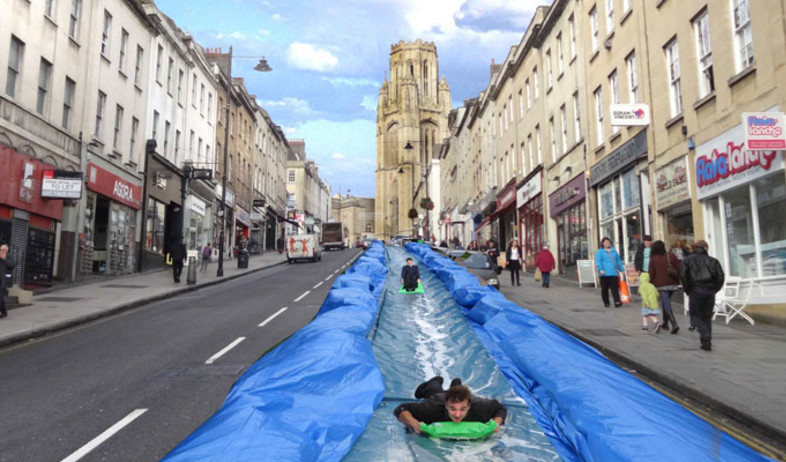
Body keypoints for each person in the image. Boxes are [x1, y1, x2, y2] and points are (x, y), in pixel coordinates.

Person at [394, 376, 507, 434]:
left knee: (457, 393)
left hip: (457, 398)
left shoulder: (480, 407)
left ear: (469, 406)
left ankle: (456, 385)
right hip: (437, 396)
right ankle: (437, 380)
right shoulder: (433, 407)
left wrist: (497, 423)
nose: (457, 415)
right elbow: (402, 408)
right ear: (446, 406)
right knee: (434, 390)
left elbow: (500, 408)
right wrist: (414, 424)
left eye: (462, 409)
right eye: (453, 409)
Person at [680, 240, 724, 351]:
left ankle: (705, 335)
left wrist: (687, 289)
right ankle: (706, 342)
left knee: (695, 316)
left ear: (694, 247)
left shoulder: (687, 261)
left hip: (695, 290)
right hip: (709, 290)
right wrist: (715, 289)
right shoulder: (713, 261)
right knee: (707, 316)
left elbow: (683, 276)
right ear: (706, 248)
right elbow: (720, 276)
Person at [648, 240, 682, 334]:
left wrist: (649, 284)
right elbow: (679, 268)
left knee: (666, 303)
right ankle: (665, 323)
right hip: (672, 283)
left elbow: (651, 273)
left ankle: (674, 324)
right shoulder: (671, 256)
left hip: (661, 284)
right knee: (665, 302)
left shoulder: (653, 259)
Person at [595, 237, 625, 307]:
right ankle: (606, 302)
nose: (607, 243)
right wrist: (601, 269)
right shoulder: (600, 252)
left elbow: (618, 261)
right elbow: (598, 261)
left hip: (613, 272)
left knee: (614, 288)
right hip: (604, 273)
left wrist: (622, 270)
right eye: (605, 242)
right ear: (602, 244)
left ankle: (617, 301)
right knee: (604, 289)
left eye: (608, 242)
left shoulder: (614, 251)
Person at [0, 243, 15, 319]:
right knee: (1, 296)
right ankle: (4, 311)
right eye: (1, 250)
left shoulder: (9, 256)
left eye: (3, 250)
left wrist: (4, 259)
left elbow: (12, 265)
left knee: (0, 294)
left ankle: (2, 311)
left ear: (6, 250)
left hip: (5, 279)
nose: (2, 251)